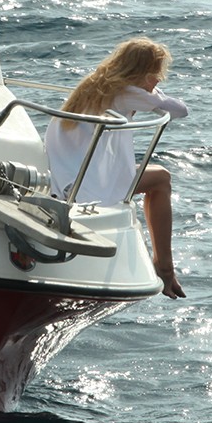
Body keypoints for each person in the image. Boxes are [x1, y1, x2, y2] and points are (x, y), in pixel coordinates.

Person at [46, 38, 189, 298]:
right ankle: (165, 267)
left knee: (153, 176)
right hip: (88, 186)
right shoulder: (126, 92)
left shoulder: (94, 84)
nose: (159, 80)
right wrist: (154, 95)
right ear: (142, 73)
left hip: (64, 177)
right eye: (155, 75)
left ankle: (162, 264)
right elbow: (180, 110)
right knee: (161, 179)